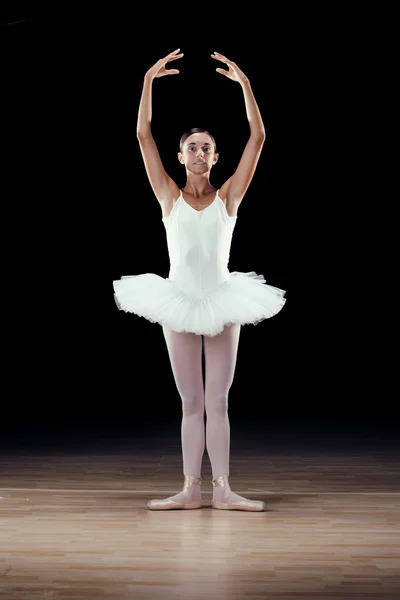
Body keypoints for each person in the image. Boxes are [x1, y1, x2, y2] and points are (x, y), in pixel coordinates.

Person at [113, 49, 286, 511]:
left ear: (214, 157)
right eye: (192, 146)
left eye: (206, 147)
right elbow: (141, 134)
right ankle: (191, 489)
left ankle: (224, 489)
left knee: (219, 402)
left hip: (223, 300)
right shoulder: (167, 195)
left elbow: (260, 137)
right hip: (179, 301)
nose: (198, 153)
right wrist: (148, 80)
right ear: (181, 155)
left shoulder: (229, 196)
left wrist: (246, 86)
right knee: (191, 402)